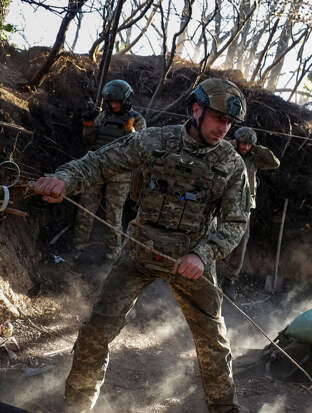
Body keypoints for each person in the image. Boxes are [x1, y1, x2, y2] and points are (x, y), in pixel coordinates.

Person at [34, 78, 250, 413]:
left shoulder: (232, 165)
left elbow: (237, 222)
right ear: (196, 110)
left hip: (192, 260)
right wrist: (65, 178)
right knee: (96, 329)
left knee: (213, 342)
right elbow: (100, 162)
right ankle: (76, 404)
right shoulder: (155, 139)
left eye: (229, 122)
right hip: (139, 250)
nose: (224, 127)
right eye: (218, 118)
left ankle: (224, 408)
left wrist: (202, 254)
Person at [76, 79, 147, 261]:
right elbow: (89, 142)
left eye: (117, 102)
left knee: (113, 216)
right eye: (111, 102)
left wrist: (131, 132)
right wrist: (89, 125)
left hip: (120, 173)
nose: (114, 105)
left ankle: (112, 255)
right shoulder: (103, 116)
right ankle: (78, 248)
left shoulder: (137, 119)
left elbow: (141, 148)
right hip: (97, 168)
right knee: (85, 209)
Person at [222, 127, 280, 297]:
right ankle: (209, 273)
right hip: (223, 203)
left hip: (244, 207)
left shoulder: (255, 159)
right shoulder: (227, 151)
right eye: (243, 143)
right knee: (214, 235)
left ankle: (230, 280)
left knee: (241, 244)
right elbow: (216, 146)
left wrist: (256, 148)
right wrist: (233, 144)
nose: (245, 147)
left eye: (249, 145)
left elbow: (274, 162)